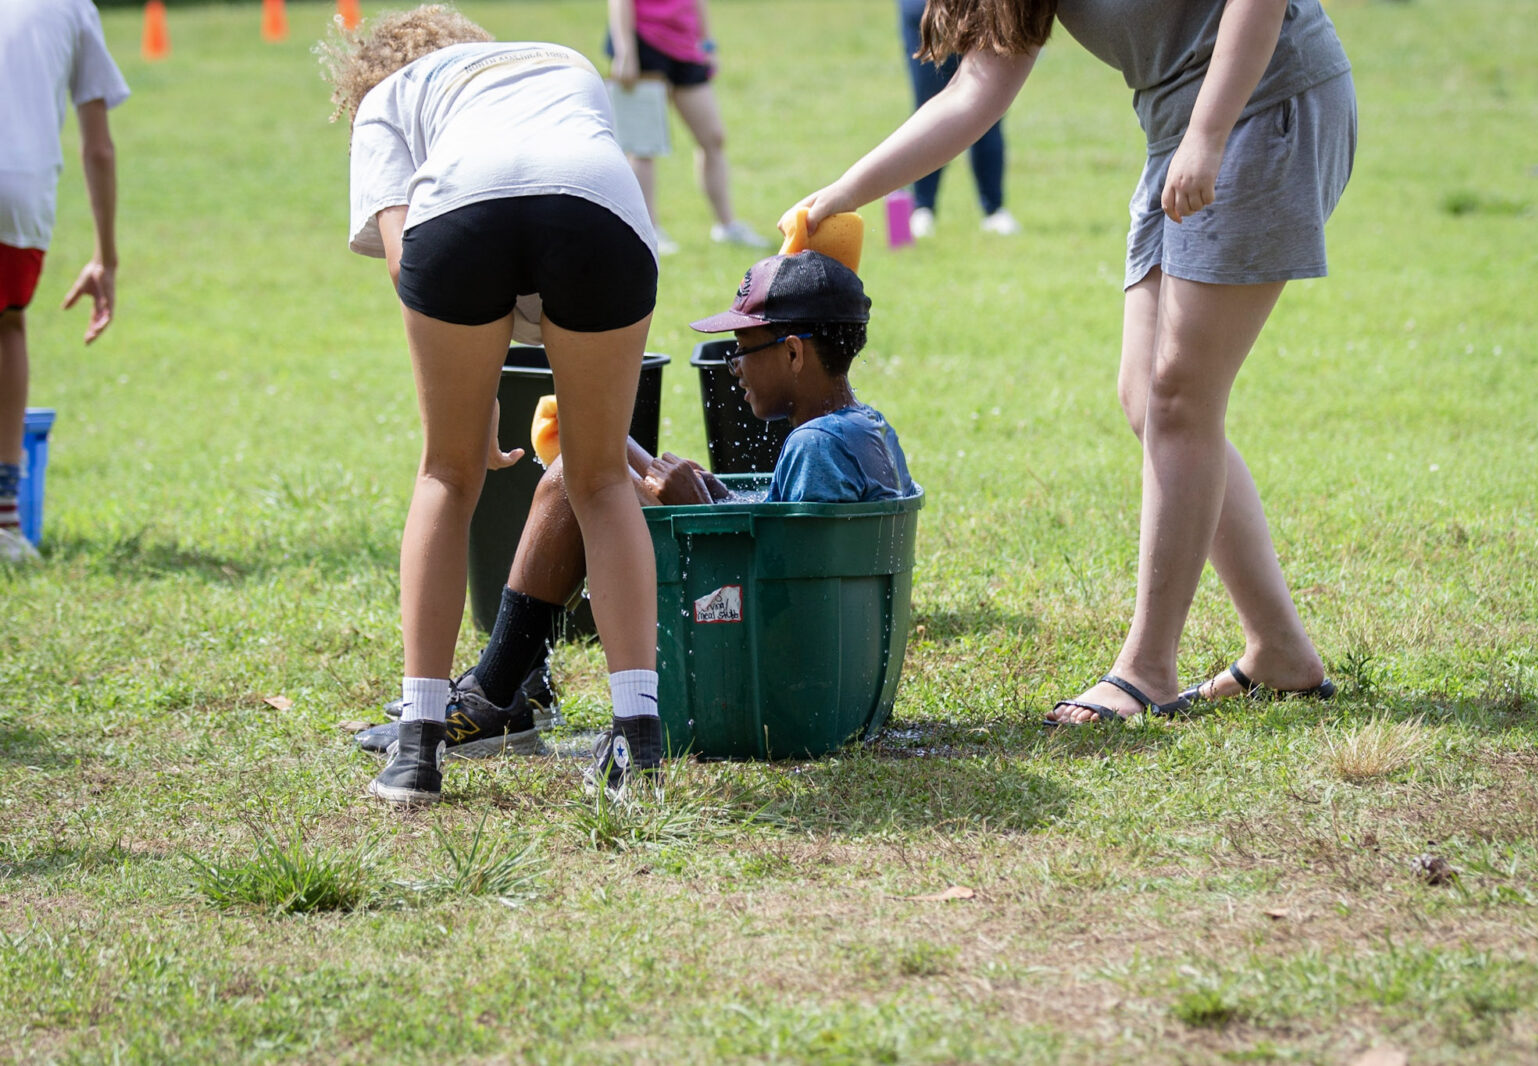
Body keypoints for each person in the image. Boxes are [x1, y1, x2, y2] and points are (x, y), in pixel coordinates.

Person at [792, 0, 1355, 723]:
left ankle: (1148, 668)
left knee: (1179, 395)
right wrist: (838, 196)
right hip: (1177, 129)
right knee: (1149, 402)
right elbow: (973, 91)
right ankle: (1279, 652)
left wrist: (1209, 134)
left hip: (1261, 103)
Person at [353, 249, 913, 760]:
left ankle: (497, 693)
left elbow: (788, 593)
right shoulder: (863, 428)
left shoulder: (814, 444)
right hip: (833, 689)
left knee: (572, 477)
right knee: (594, 465)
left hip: (775, 698)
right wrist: (686, 484)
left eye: (744, 349)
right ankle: (505, 689)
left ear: (793, 353)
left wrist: (701, 514)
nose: (734, 366)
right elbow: (798, 543)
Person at [322, 4, 665, 805]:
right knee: (602, 478)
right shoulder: (552, 58)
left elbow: (410, 258)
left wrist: (467, 404)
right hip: (598, 204)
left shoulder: (386, 102)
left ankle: (417, 751)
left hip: (460, 217)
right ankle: (639, 744)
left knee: (444, 476)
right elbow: (554, 194)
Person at [0, 0, 128, 564]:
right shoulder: (70, 7)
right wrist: (106, 256)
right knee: (8, 326)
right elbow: (98, 146)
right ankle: (5, 525)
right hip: (18, 189)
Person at [604, 0, 769, 254]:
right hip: (642, 44)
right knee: (643, 145)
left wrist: (708, 43)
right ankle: (649, 231)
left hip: (686, 47)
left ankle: (727, 226)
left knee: (713, 137)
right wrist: (625, 48)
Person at [897, 0, 1019, 239]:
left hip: (983, 10)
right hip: (925, 11)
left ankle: (994, 209)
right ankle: (922, 207)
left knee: (988, 108)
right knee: (929, 108)